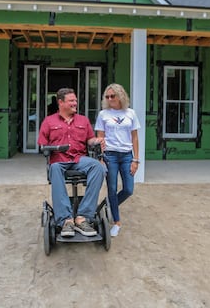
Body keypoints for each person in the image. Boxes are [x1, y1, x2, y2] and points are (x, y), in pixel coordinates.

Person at [37, 88, 106, 238]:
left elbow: (89, 140)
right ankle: (66, 220)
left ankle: (83, 217)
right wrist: (54, 148)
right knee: (54, 168)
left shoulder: (83, 120)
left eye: (75, 100)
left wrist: (97, 141)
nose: (75, 103)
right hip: (59, 161)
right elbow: (42, 145)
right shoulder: (49, 121)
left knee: (98, 167)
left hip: (79, 158)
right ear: (61, 102)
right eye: (71, 101)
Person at [95, 83, 140, 237]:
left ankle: (108, 204)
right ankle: (117, 222)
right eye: (107, 96)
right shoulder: (103, 114)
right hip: (110, 156)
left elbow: (134, 137)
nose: (109, 99)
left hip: (127, 156)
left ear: (120, 95)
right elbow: (100, 138)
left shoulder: (131, 113)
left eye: (112, 96)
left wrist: (136, 159)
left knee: (128, 189)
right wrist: (100, 158)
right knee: (112, 189)